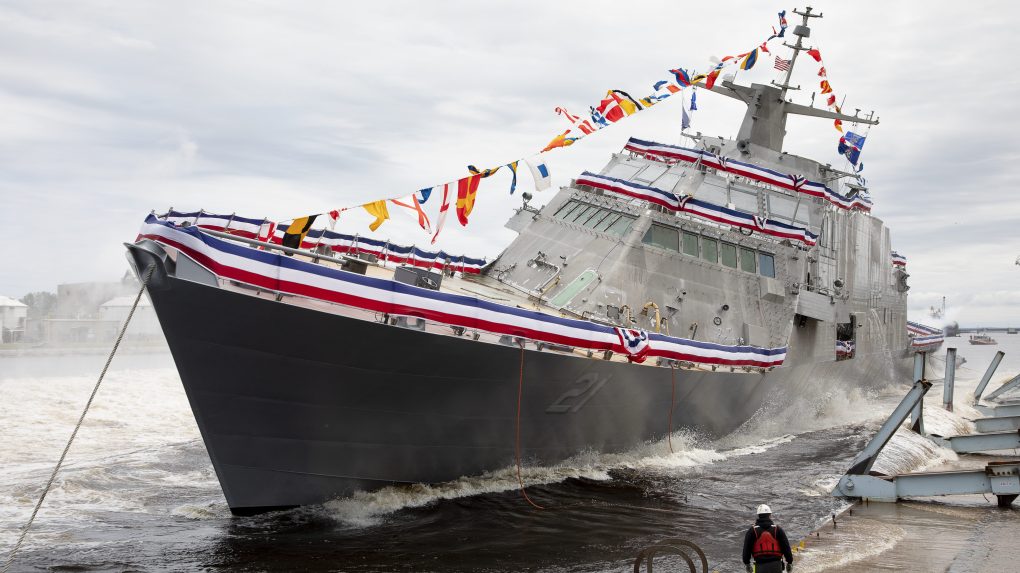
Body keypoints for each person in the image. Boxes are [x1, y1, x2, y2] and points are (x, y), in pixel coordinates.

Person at [741, 504, 794, 572]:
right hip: (776, 566)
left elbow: (746, 550)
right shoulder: (778, 529)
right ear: (770, 515)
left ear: (758, 515)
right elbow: (786, 547)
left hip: (760, 566)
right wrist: (789, 562)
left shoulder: (752, 531)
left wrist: (747, 564)